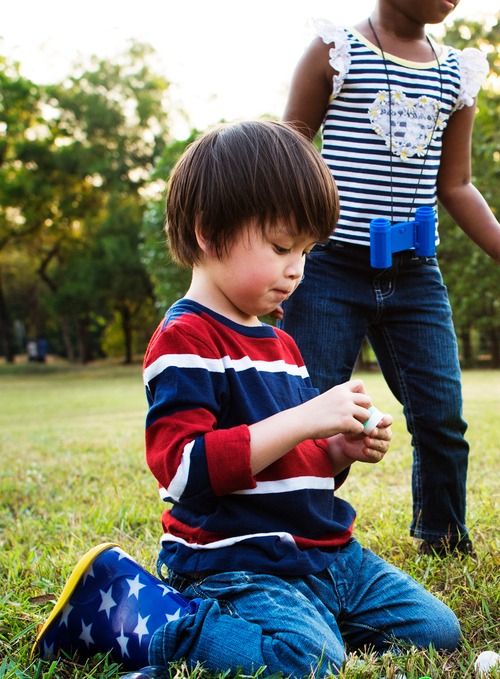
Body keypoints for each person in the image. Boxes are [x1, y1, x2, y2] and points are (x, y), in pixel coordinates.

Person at [33, 119, 460, 677]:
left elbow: (287, 462)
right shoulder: (186, 339)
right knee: (304, 663)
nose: (297, 269)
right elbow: (183, 473)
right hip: (238, 562)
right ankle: (157, 622)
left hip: (325, 555)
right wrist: (307, 417)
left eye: (307, 251)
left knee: (436, 632)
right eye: (283, 246)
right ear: (210, 231)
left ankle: (302, 620)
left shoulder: (281, 343)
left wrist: (335, 451)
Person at [279, 0, 500, 557]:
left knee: (441, 415)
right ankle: (303, 535)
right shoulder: (335, 51)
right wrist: (279, 259)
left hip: (416, 274)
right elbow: (285, 158)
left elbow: (457, 183)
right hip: (331, 268)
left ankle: (443, 538)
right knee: (311, 412)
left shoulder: (458, 71)